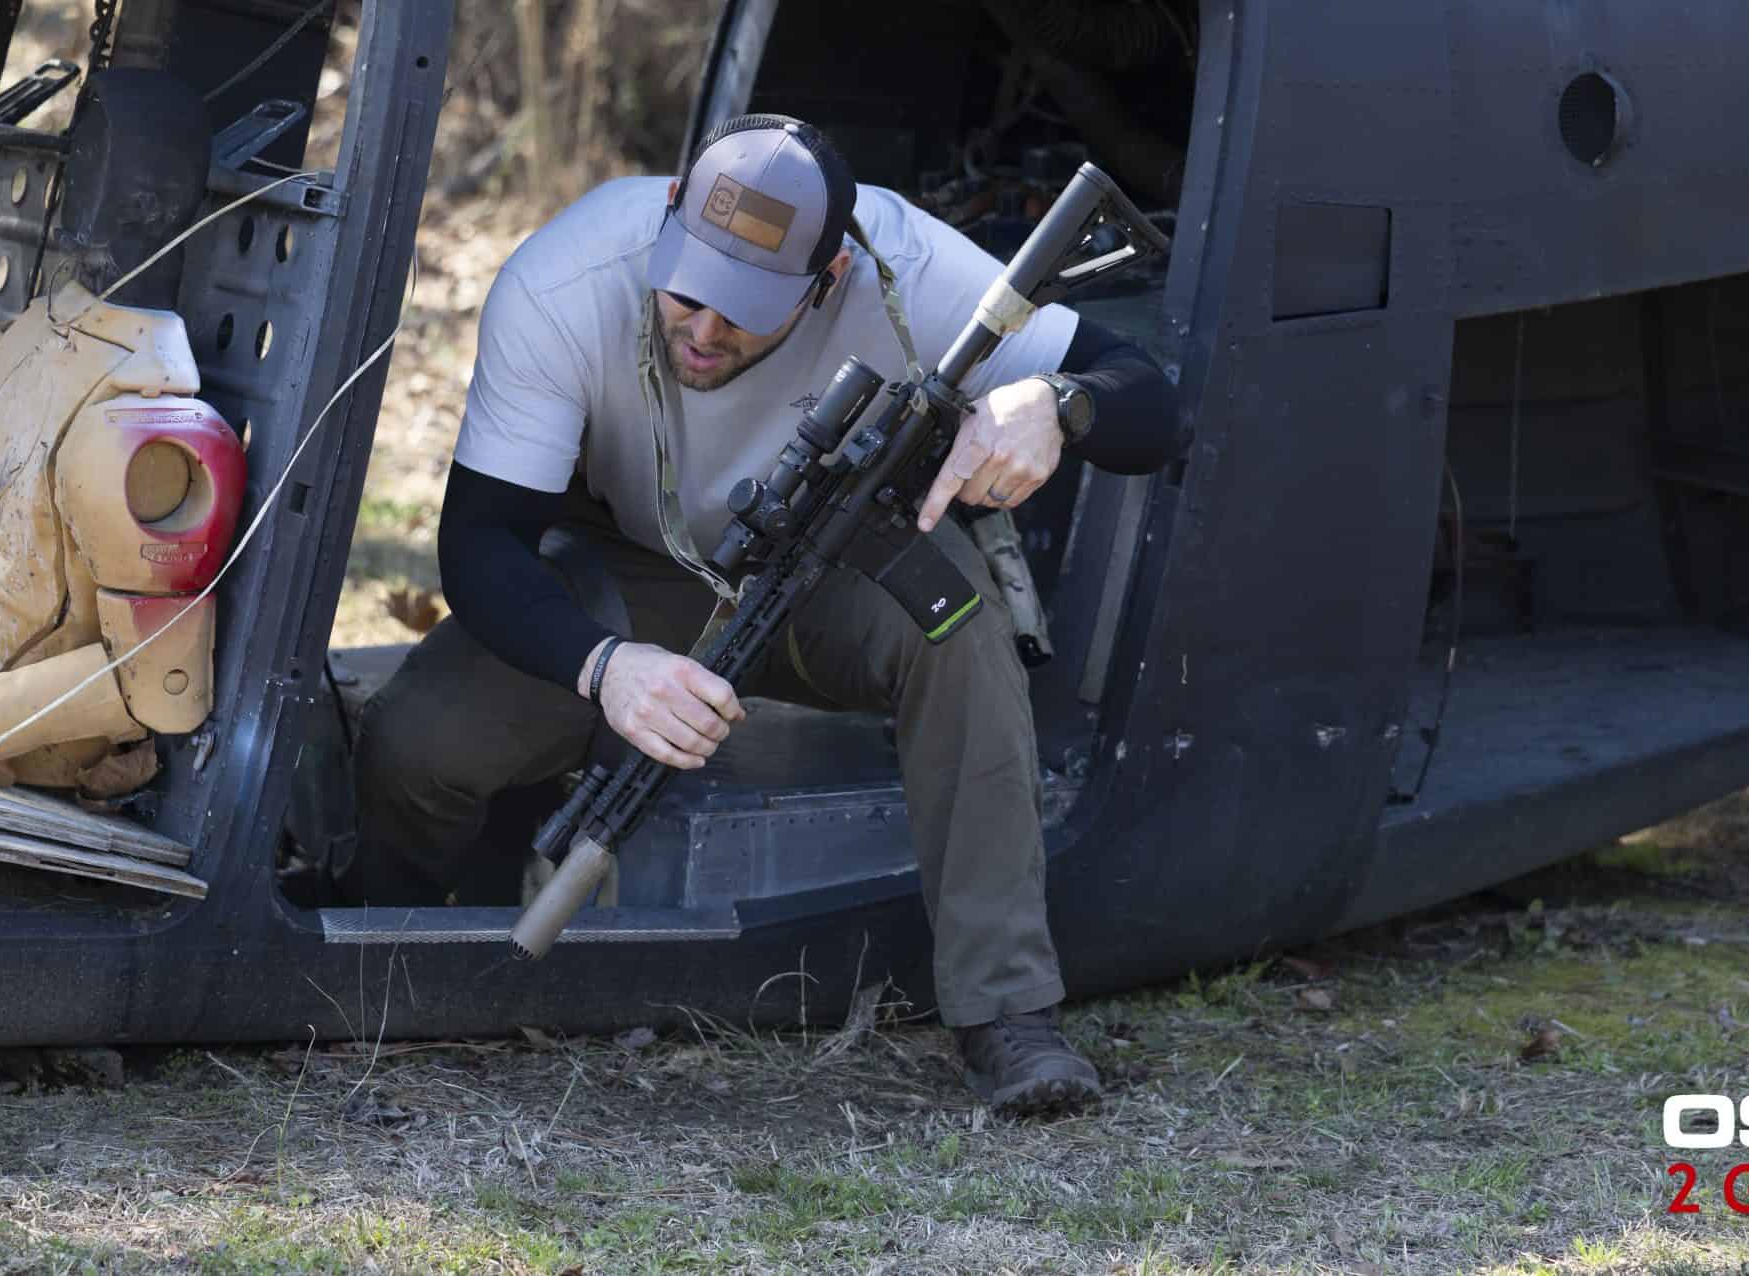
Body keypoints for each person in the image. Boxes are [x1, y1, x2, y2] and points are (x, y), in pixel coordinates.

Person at [354, 114, 1181, 1111]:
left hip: (845, 555)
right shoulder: (564, 279)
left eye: (747, 308)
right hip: (638, 562)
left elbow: (1150, 405)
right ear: (667, 215)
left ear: (830, 275)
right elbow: (479, 543)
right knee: (419, 743)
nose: (703, 330)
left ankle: (1006, 1013)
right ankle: (388, 933)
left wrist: (1055, 400)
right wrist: (605, 665)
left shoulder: (906, 262)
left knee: (959, 634)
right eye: (689, 287)